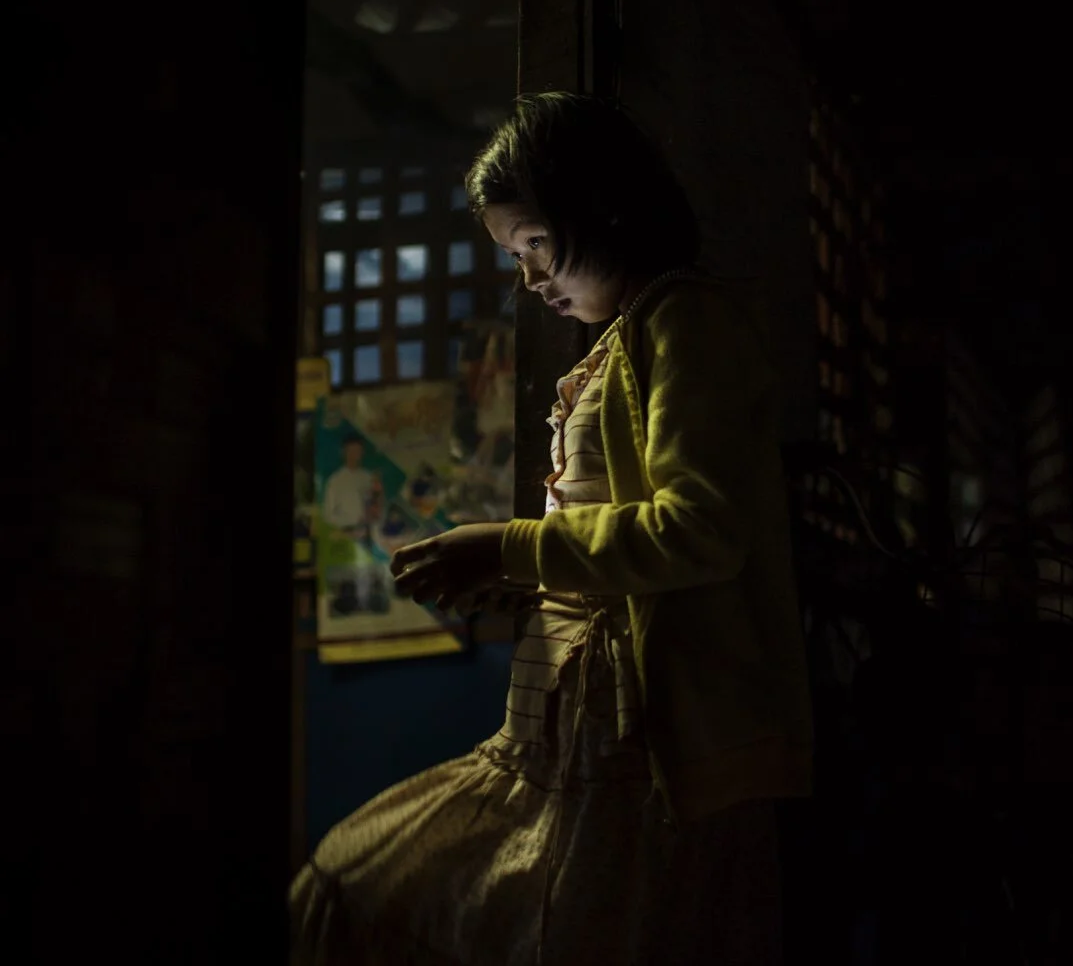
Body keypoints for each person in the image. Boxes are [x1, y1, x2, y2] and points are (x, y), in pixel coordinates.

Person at [290, 92, 813, 964]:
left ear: (605, 207)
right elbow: (616, 542)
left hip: (642, 752)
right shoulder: (622, 342)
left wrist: (509, 546)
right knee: (351, 889)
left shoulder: (688, 325)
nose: (530, 278)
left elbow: (699, 531)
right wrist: (522, 573)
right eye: (514, 254)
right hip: (566, 741)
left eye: (535, 242)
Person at [320, 434, 381, 539]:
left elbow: (377, 507)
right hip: (344, 535)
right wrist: (352, 523)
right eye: (351, 451)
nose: (354, 455)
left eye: (358, 451)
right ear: (344, 452)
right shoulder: (335, 481)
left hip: (368, 535)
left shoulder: (368, 478)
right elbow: (328, 515)